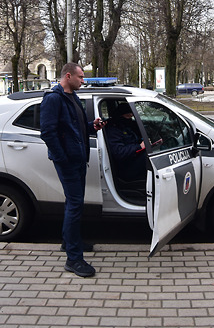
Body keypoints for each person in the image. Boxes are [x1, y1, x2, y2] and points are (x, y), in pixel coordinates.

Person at [39, 62, 105, 278]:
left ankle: (69, 242)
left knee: (73, 203)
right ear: (68, 76)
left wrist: (91, 126)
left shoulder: (73, 98)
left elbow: (75, 128)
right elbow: (48, 132)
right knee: (75, 205)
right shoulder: (53, 99)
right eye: (80, 77)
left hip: (78, 159)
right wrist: (63, 159)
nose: (83, 80)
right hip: (69, 162)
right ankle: (73, 259)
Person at [104, 103, 147, 182]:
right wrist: (139, 147)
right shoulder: (113, 130)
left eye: (131, 116)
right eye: (127, 116)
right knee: (148, 158)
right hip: (125, 167)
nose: (130, 118)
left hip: (132, 158)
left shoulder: (127, 126)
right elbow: (119, 152)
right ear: (120, 115)